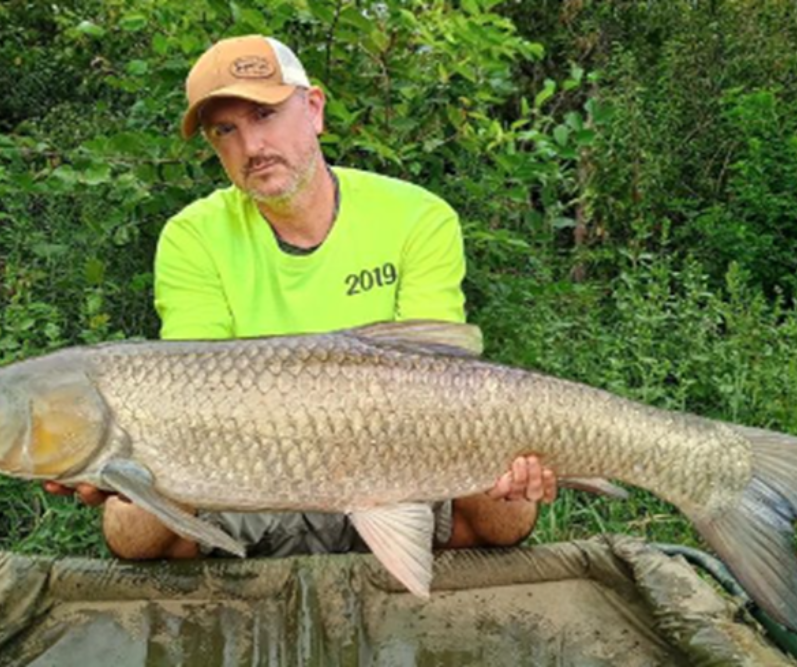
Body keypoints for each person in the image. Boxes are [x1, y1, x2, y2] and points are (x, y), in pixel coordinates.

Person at [46, 34, 557, 560]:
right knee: (132, 533)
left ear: (313, 110)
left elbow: (438, 378)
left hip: (401, 453)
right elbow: (195, 399)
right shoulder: (191, 236)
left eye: (264, 115)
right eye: (226, 130)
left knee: (509, 511)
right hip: (251, 469)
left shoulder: (417, 215)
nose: (251, 147)